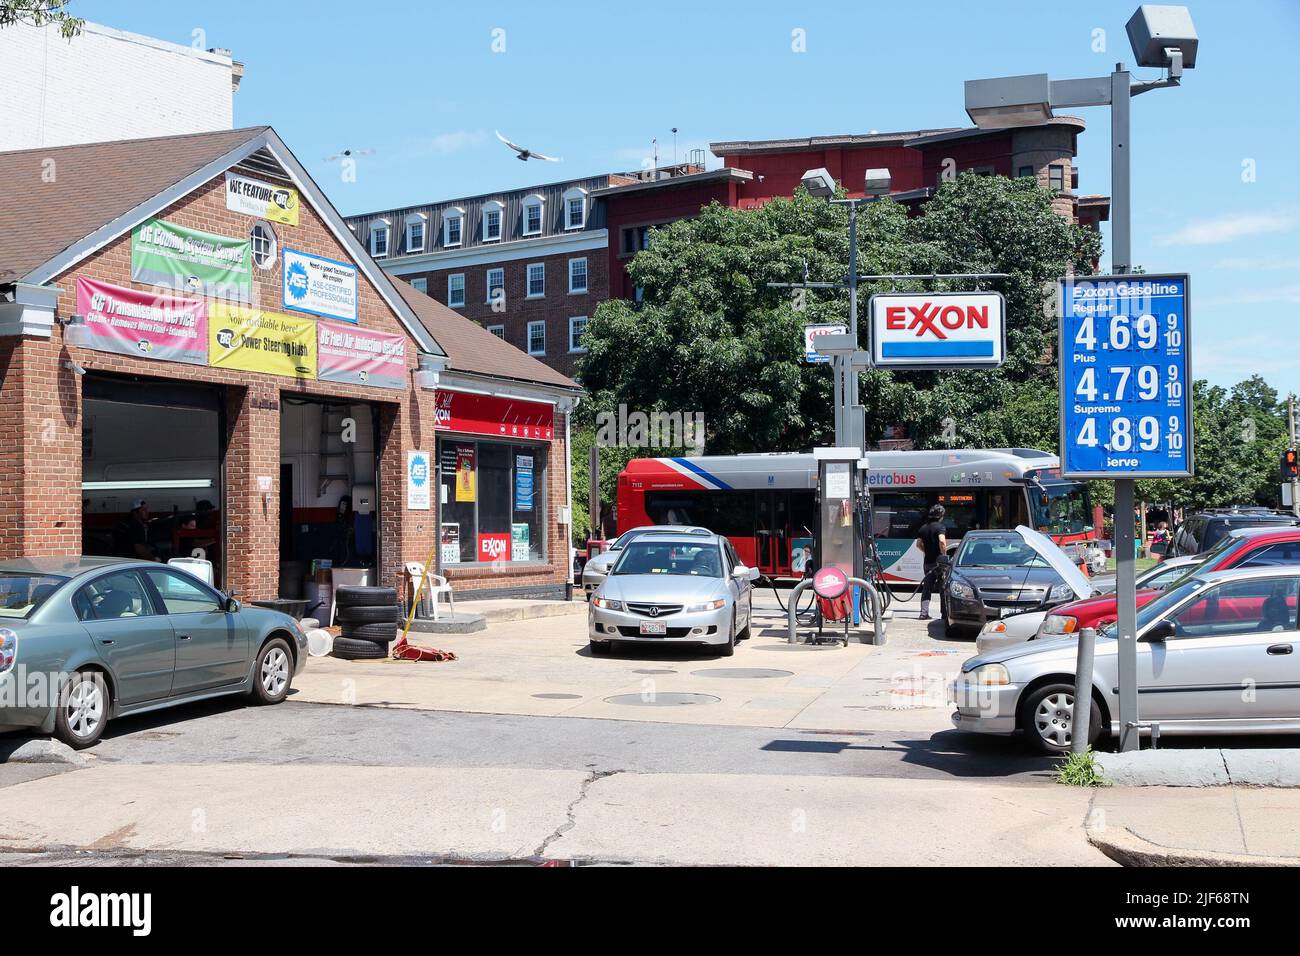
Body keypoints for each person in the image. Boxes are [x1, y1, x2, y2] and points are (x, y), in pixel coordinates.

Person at [915, 504, 948, 621]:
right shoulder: (940, 527)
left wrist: (927, 551)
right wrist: (944, 555)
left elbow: (918, 544)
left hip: (927, 562)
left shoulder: (923, 528)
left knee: (927, 588)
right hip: (939, 563)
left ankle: (923, 614)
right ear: (941, 515)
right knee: (943, 589)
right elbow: (942, 541)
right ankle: (944, 614)